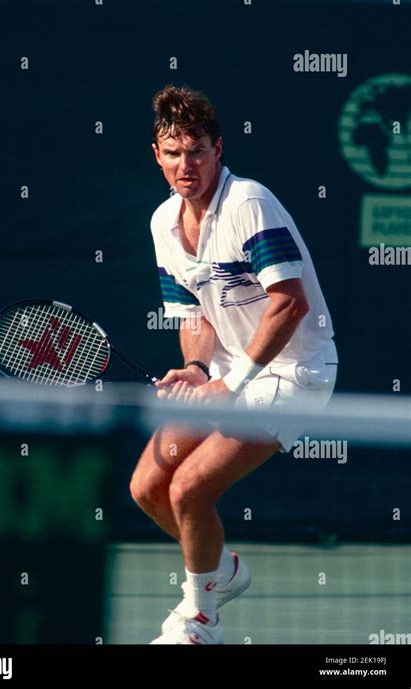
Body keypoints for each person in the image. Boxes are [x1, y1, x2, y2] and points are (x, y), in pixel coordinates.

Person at [129, 84, 338, 644]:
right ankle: (220, 571)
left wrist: (234, 381)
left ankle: (201, 618)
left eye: (196, 150)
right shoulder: (162, 224)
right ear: (157, 155)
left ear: (219, 150)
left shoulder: (248, 203)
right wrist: (199, 372)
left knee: (189, 490)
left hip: (295, 375)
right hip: (224, 373)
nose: (185, 164)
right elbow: (193, 316)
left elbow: (290, 303)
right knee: (148, 486)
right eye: (172, 152)